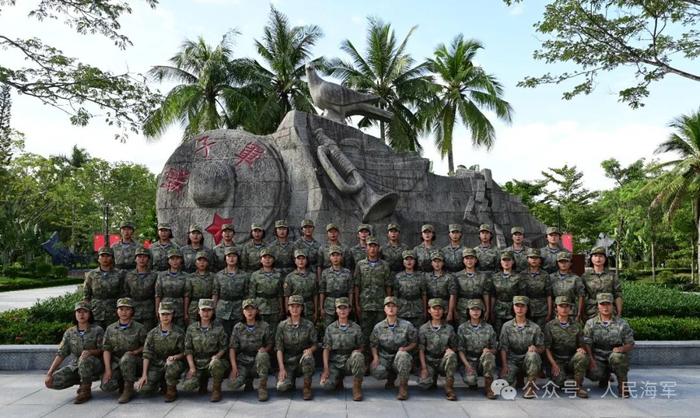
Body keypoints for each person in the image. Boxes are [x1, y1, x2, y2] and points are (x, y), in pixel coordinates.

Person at [44, 301, 104, 404]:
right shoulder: (70, 332)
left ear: (89, 314)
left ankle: (85, 390)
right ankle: (82, 380)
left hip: (95, 364)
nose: (81, 314)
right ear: (75, 314)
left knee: (85, 359)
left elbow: (102, 349)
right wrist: (49, 373)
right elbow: (61, 353)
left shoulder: (97, 330)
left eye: (85, 312)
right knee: (52, 382)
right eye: (78, 312)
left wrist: (90, 352)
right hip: (76, 364)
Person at [583, 293, 635, 398]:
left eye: (608, 304)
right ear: (598, 306)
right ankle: (604, 377)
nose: (605, 307)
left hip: (615, 354)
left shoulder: (622, 324)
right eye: (602, 304)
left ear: (612, 306)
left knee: (617, 357)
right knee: (593, 373)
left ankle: (622, 386)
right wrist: (591, 359)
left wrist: (621, 348)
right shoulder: (591, 323)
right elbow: (587, 343)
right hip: (598, 356)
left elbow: (630, 343)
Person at [134, 301, 187, 402]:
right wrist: (144, 375)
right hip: (157, 364)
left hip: (173, 363)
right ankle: (160, 383)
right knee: (143, 390)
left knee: (171, 367)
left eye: (168, 314)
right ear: (159, 315)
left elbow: (185, 352)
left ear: (172, 315)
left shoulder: (179, 332)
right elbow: (146, 354)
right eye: (163, 314)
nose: (165, 317)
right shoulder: (152, 333)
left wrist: (175, 357)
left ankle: (171, 390)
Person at [101, 298, 147, 404]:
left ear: (132, 311)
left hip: (134, 361)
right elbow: (106, 349)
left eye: (127, 309)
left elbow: (146, 346)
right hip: (117, 362)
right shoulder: (110, 329)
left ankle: (128, 388)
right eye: (121, 309)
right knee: (106, 386)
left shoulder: (139, 328)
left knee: (127, 357)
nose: (124, 312)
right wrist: (108, 369)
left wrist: (135, 352)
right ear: (117, 311)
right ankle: (121, 381)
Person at [369, 296, 417, 401]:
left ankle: (403, 387)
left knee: (403, 356)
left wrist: (405, 349)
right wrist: (375, 357)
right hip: (385, 357)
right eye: (388, 306)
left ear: (397, 308)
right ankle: (391, 378)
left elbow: (414, 342)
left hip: (399, 356)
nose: (391, 309)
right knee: (377, 371)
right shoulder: (378, 327)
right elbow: (373, 344)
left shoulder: (407, 325)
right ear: (384, 309)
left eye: (393, 306)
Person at [182, 299, 230, 402]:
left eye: (209, 310)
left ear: (213, 312)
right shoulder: (191, 328)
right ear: (198, 312)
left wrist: (217, 356)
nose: (206, 313)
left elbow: (224, 347)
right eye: (203, 310)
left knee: (216, 364)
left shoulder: (219, 328)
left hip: (213, 361)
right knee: (187, 386)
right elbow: (188, 350)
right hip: (197, 362)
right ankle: (202, 383)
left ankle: (216, 390)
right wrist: (191, 368)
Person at [499, 295, 544, 399]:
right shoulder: (506, 326)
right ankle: (517, 379)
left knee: (533, 356)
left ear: (527, 308)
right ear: (513, 307)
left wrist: (535, 349)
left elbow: (542, 348)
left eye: (522, 306)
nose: (519, 309)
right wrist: (505, 365)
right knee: (505, 384)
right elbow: (503, 347)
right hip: (512, 360)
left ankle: (530, 387)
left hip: (527, 360)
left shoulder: (534, 327)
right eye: (517, 306)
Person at [543, 296, 589, 398]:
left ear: (570, 308)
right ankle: (566, 377)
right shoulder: (550, 326)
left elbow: (581, 344)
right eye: (561, 306)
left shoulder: (577, 325)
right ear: (556, 308)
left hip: (572, 358)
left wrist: (581, 349)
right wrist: (554, 364)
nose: (564, 309)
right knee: (559, 382)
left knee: (582, 356)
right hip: (557, 360)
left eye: (566, 306)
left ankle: (578, 387)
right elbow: (547, 348)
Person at [320, 297, 365, 401]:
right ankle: (337, 379)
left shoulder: (356, 328)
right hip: (335, 362)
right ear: (336, 310)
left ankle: (357, 388)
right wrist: (326, 369)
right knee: (325, 385)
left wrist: (358, 351)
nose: (343, 311)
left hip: (349, 361)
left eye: (345, 308)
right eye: (340, 308)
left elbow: (362, 346)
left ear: (349, 310)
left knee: (358, 356)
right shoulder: (330, 328)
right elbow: (326, 349)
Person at [228, 299, 273, 401]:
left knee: (263, 355)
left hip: (258, 360)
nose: (249, 312)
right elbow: (232, 348)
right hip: (243, 361)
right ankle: (247, 380)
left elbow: (270, 343)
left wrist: (265, 349)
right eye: (246, 309)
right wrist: (234, 368)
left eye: (252, 309)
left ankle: (262, 387)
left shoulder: (264, 326)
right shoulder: (238, 327)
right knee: (232, 385)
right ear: (243, 312)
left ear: (256, 311)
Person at [353, 236, 392, 353]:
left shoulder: (385, 265)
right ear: (366, 248)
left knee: (381, 332)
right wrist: (357, 304)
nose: (372, 249)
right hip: (365, 305)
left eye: (375, 246)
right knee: (365, 333)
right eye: (370, 246)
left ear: (378, 248)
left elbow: (388, 285)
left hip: (380, 305)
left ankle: (379, 358)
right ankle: (365, 359)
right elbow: (357, 285)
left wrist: (388, 304)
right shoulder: (360, 265)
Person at [276, 295, 318, 400]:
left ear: (302, 308)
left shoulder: (308, 325)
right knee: (282, 387)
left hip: (302, 360)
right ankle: (290, 380)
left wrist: (310, 350)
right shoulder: (282, 326)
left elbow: (315, 344)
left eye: (298, 306)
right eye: (292, 306)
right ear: (288, 308)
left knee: (308, 358)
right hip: (288, 362)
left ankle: (307, 387)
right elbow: (279, 348)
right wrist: (281, 368)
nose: (295, 309)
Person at [417, 298, 458, 401]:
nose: (437, 312)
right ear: (429, 310)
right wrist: (424, 368)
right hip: (429, 360)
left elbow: (455, 346)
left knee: (452, 355)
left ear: (444, 311)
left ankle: (449, 388)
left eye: (440, 309)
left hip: (443, 361)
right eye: (434, 309)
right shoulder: (423, 328)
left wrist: (450, 349)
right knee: (424, 383)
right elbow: (421, 349)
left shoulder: (449, 328)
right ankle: (432, 378)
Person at [456, 299, 498, 399]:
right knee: (470, 380)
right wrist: (467, 365)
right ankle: (473, 382)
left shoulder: (489, 328)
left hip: (483, 360)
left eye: (478, 309)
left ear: (482, 311)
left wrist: (489, 351)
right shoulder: (462, 328)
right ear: (468, 311)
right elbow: (460, 349)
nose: (475, 312)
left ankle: (488, 388)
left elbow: (495, 348)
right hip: (469, 360)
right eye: (472, 309)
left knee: (488, 356)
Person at [84, 246, 125, 330]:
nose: (105, 259)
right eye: (102, 256)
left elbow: (123, 293)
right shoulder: (91, 274)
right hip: (96, 311)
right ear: (98, 259)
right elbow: (86, 295)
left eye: (108, 256)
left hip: (113, 310)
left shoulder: (119, 274)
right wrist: (87, 311)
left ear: (112, 258)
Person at [248, 248, 284, 338]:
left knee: (274, 331)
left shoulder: (278, 275)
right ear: (261, 260)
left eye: (270, 257)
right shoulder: (255, 275)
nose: (267, 260)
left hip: (274, 306)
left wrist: (281, 308)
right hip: (260, 306)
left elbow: (280, 294)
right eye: (265, 257)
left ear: (273, 259)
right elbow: (252, 294)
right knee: (260, 331)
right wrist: (253, 309)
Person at [213, 247, 249, 335]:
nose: (231, 258)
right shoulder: (219, 275)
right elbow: (215, 293)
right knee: (222, 334)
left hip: (238, 308)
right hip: (222, 308)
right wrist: (213, 308)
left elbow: (247, 294)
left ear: (238, 258)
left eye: (234, 256)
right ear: (225, 258)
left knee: (238, 333)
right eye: (229, 256)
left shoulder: (244, 275)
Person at [582, 247, 622, 321]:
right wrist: (582, 313)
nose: (598, 259)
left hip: (609, 310)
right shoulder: (585, 276)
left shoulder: (612, 275)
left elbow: (617, 294)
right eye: (595, 256)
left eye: (601, 256)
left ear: (605, 258)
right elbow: (582, 295)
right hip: (591, 311)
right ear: (591, 258)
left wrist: (619, 313)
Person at [454, 248, 492, 325]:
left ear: (476, 260)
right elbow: (454, 294)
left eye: (472, 258)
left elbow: (486, 293)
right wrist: (454, 310)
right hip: (462, 307)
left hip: (478, 307)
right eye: (467, 258)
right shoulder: (456, 276)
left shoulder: (483, 276)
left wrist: (487, 310)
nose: (469, 261)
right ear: (463, 260)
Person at [319, 245, 354, 328]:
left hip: (343, 303)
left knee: (344, 326)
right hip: (329, 304)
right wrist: (321, 307)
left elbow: (350, 290)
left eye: (337, 255)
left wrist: (350, 305)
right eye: (333, 255)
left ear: (341, 257)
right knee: (328, 327)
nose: (335, 258)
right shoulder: (325, 273)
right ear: (329, 258)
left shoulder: (347, 272)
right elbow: (322, 291)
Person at [123, 246, 158, 331]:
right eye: (139, 257)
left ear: (148, 259)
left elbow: (157, 293)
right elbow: (126, 292)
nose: (142, 259)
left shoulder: (154, 275)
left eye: (144, 257)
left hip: (149, 309)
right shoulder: (129, 275)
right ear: (135, 259)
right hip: (133, 310)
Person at [491, 251, 524, 336]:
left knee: (514, 332)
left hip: (514, 309)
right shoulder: (495, 277)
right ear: (500, 262)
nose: (506, 262)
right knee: (498, 332)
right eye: (504, 260)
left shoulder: (519, 277)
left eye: (509, 260)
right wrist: (491, 310)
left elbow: (522, 295)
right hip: (499, 308)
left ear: (513, 261)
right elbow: (493, 295)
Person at [392, 250, 427, 329]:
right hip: (402, 309)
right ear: (403, 261)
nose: (409, 262)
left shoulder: (420, 276)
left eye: (411, 259)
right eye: (406, 259)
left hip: (417, 309)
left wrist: (424, 310)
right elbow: (395, 295)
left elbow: (424, 294)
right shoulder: (398, 277)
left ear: (415, 261)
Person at [155, 248, 188, 327]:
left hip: (179, 308)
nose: (175, 261)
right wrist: (157, 310)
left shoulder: (186, 276)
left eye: (177, 259)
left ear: (181, 260)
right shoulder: (161, 276)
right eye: (172, 259)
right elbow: (158, 295)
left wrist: (185, 312)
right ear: (168, 261)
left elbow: (186, 295)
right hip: (165, 307)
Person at [521, 248, 552, 330]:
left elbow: (549, 294)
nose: (533, 260)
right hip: (527, 309)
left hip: (542, 309)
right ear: (527, 259)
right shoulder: (522, 274)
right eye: (531, 258)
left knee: (541, 332)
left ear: (540, 260)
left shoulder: (545, 275)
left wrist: (549, 312)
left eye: (536, 258)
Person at [550, 251, 585, 322]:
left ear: (570, 263)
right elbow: (549, 296)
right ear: (557, 263)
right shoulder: (551, 277)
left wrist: (579, 313)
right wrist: (550, 312)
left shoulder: (576, 278)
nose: (563, 264)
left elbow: (581, 296)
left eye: (566, 261)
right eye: (561, 262)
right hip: (556, 311)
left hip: (571, 312)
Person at [283, 249, 317, 322]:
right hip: (295, 309)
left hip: (309, 308)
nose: (301, 261)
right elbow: (287, 296)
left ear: (307, 260)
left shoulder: (312, 276)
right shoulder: (290, 277)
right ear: (295, 261)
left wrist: (316, 311)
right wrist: (287, 312)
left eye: (303, 259)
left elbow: (315, 295)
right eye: (298, 259)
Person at [424, 251, 456, 323]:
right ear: (432, 263)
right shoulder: (426, 277)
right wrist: (425, 310)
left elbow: (452, 295)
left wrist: (450, 312)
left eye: (439, 261)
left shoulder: (449, 277)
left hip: (444, 307)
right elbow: (424, 294)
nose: (437, 264)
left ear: (443, 263)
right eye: (435, 261)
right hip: (431, 308)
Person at [184, 251, 215, 324]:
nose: (202, 263)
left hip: (208, 305)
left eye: (204, 261)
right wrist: (185, 312)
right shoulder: (190, 277)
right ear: (195, 263)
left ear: (207, 263)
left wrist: (213, 308)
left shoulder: (213, 276)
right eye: (199, 260)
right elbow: (187, 295)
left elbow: (215, 293)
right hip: (194, 306)